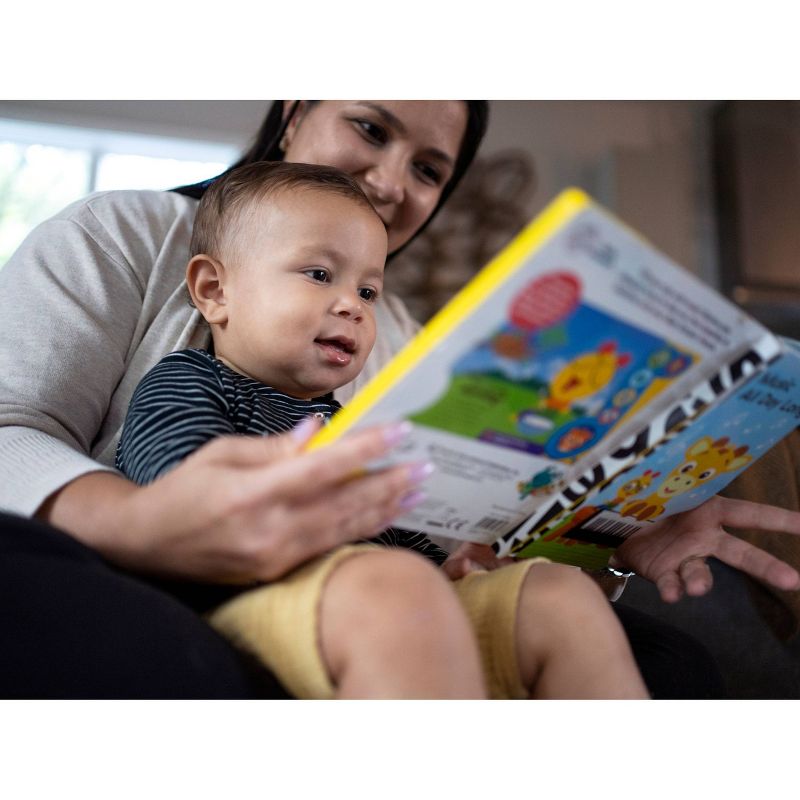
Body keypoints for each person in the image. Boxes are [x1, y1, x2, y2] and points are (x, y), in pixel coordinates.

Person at [0, 100, 798, 698]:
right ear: (292, 113)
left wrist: (605, 527)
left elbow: (424, 522)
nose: (390, 181)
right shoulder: (141, 261)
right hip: (198, 581)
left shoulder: (403, 344)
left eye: (428, 169)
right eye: (372, 129)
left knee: (646, 645)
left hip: (384, 581)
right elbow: (115, 455)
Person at [113, 159, 648, 699]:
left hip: (385, 598)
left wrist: (451, 566)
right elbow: (176, 495)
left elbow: (397, 527)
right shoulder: (190, 378)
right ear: (214, 291)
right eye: (319, 275)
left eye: (369, 291)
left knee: (556, 595)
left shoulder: (353, 422)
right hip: (242, 602)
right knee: (398, 586)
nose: (352, 306)